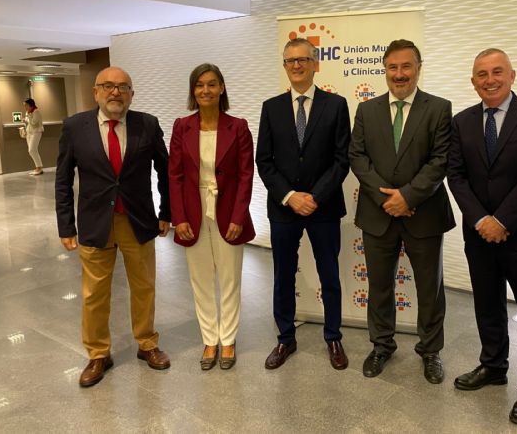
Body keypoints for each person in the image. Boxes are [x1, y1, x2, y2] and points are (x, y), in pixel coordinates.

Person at [447, 48, 517, 425]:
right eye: (481, 74)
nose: (489, 79)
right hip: (479, 236)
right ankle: (493, 365)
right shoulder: (461, 122)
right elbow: (456, 177)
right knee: (487, 306)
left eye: (497, 72)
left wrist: (502, 221)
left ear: (512, 75)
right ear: (472, 80)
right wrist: (480, 220)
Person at [55, 66, 171, 387]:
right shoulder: (75, 127)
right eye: (107, 86)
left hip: (138, 221)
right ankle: (98, 353)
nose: (115, 92)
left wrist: (167, 211)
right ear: (96, 92)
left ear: (132, 93)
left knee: (144, 286)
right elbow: (63, 179)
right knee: (94, 294)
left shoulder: (147, 124)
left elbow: (166, 170)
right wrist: (66, 225)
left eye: (122, 87)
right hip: (96, 223)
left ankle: (147, 343)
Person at [349, 39, 455, 384]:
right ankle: (381, 345)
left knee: (429, 289)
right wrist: (386, 200)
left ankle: (430, 351)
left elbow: (441, 160)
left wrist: (408, 197)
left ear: (418, 68)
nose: (399, 74)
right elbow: (357, 158)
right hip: (378, 215)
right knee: (379, 286)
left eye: (406, 66)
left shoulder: (439, 108)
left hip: (423, 214)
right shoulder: (367, 110)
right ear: (385, 71)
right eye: (392, 67)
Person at [256, 38, 351, 371]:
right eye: (289, 61)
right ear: (284, 66)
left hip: (323, 207)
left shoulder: (336, 105)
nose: (296, 65)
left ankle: (333, 337)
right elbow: (264, 161)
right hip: (283, 208)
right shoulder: (271, 107)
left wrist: (315, 196)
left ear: (316, 64)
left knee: (330, 276)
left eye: (303, 60)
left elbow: (342, 159)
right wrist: (289, 196)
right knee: (283, 276)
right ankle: (285, 339)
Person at [169, 63, 255, 371]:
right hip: (193, 213)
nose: (206, 90)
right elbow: (174, 175)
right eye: (199, 85)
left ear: (222, 89)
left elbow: (247, 175)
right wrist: (178, 216)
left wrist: (239, 215)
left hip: (229, 212)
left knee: (230, 279)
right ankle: (209, 339)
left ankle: (228, 339)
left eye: (212, 84)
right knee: (201, 280)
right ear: (193, 91)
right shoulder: (182, 127)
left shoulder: (239, 126)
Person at [22, 98, 44, 175]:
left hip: (36, 132)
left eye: (25, 105)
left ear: (30, 105)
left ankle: (39, 168)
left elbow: (34, 123)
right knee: (32, 150)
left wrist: (27, 117)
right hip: (29, 132)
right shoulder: (27, 112)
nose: (25, 107)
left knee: (32, 149)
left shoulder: (36, 111)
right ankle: (38, 167)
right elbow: (28, 122)